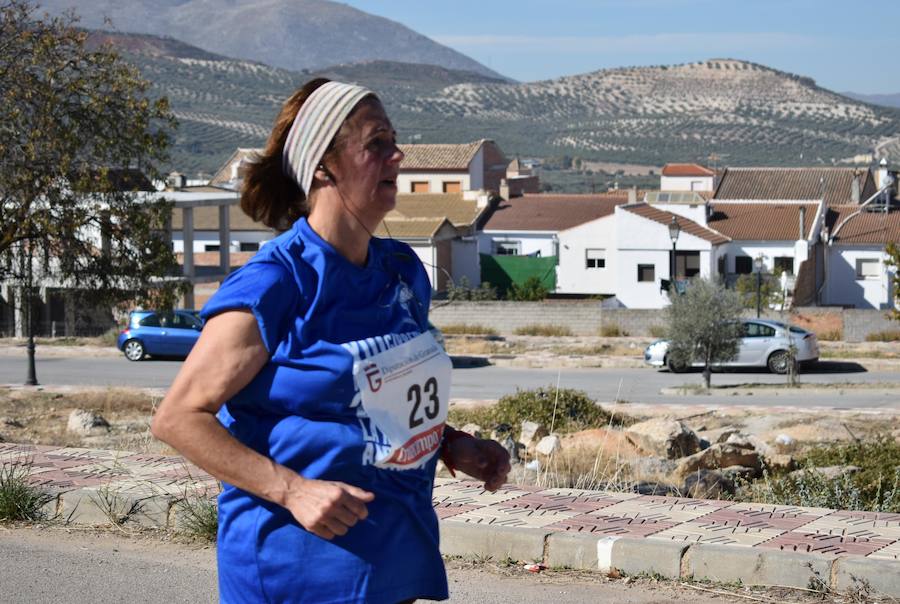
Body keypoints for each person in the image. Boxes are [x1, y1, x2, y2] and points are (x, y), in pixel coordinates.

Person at [151, 78, 511, 604]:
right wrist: (291, 490)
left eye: (394, 141)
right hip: (297, 569)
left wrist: (451, 443)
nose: (398, 155)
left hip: (393, 557)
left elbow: (380, 403)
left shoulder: (403, 271)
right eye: (377, 143)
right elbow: (178, 418)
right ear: (324, 165)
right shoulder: (275, 283)